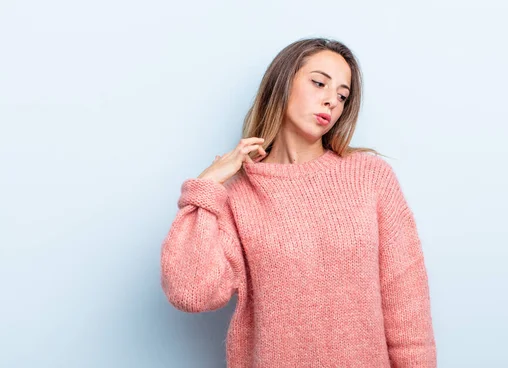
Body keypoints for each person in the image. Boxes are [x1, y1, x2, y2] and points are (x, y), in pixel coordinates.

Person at [160, 37, 437, 367]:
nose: (331, 101)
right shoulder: (236, 194)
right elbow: (191, 293)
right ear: (282, 83)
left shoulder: (369, 177)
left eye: (342, 96)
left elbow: (407, 304)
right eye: (319, 83)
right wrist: (206, 186)